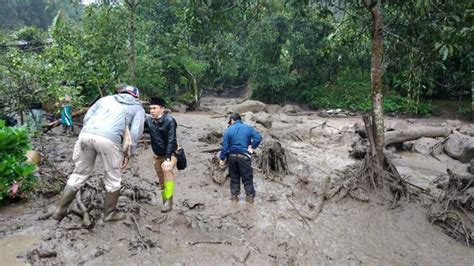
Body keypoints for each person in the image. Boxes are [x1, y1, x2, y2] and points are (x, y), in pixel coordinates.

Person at [52, 85, 145, 222]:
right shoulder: (138, 108)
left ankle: (59, 211)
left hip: (86, 135)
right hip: (109, 140)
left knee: (79, 173)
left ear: (121, 92)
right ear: (136, 97)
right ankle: (109, 214)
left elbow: (87, 117)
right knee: (113, 178)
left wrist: (89, 133)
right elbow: (135, 133)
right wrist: (128, 153)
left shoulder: (104, 99)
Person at [145, 97, 178, 213]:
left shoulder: (170, 121)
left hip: (171, 153)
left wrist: (168, 158)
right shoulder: (148, 121)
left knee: (167, 170)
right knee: (161, 179)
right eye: (150, 109)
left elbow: (171, 140)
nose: (152, 111)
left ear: (162, 109)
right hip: (157, 155)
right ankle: (165, 201)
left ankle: (169, 201)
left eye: (154, 108)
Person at [219, 113, 262, 203]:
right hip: (244, 156)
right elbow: (258, 138)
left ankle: (234, 199)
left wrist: (222, 159)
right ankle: (250, 200)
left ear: (232, 120)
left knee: (234, 177)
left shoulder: (228, 130)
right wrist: (252, 147)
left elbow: (225, 147)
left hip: (232, 157)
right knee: (247, 178)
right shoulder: (248, 128)